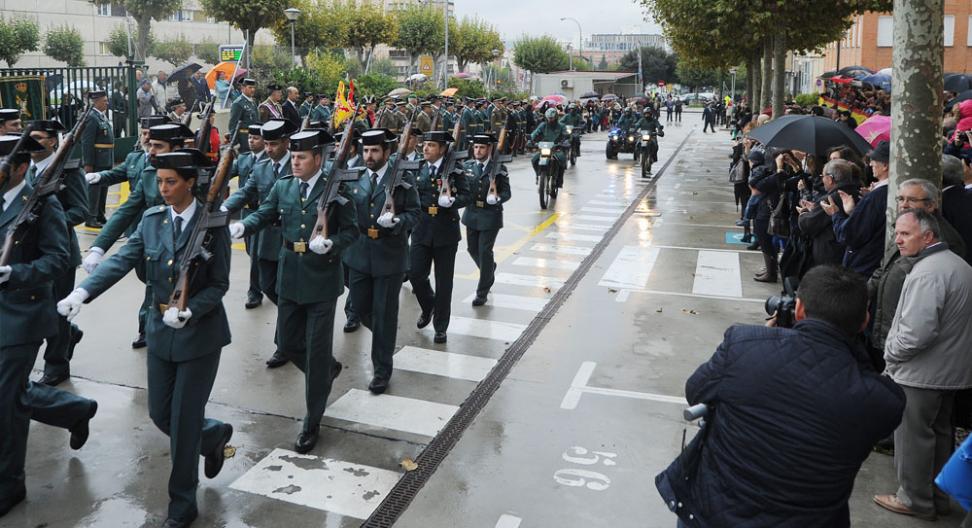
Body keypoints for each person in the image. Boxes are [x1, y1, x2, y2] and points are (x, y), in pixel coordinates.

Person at [59, 148, 234, 528]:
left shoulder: (214, 223)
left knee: (183, 422)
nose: (164, 189)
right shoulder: (153, 220)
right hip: (159, 334)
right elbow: (124, 260)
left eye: (171, 182)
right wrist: (82, 292)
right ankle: (214, 435)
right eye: (160, 181)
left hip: (199, 337)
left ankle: (182, 503)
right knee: (160, 414)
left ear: (190, 183)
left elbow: (219, 283)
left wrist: (192, 309)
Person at [656, 265, 906, 527]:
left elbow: (695, 390)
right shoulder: (881, 400)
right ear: (864, 322)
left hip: (713, 513)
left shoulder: (744, 345)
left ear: (799, 309)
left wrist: (771, 337)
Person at [229, 130, 357, 453]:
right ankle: (326, 369)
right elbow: (265, 212)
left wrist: (333, 244)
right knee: (287, 342)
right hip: (290, 275)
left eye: (302, 157)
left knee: (314, 351)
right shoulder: (284, 185)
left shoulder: (336, 187)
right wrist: (243, 225)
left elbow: (353, 230)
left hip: (322, 279)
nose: (295, 162)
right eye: (294, 157)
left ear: (318, 158)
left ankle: (312, 421)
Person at [0, 133, 99, 520]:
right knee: (14, 392)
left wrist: (15, 273)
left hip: (21, 317)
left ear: (20, 167)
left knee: (6, 401)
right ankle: (73, 410)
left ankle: (9, 485)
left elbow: (59, 260)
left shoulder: (42, 205)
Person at [873, 209, 972, 521]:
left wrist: (891, 354)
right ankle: (937, 497)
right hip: (948, 372)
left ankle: (914, 499)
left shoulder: (929, 272)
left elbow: (917, 333)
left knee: (914, 439)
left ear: (928, 236)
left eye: (905, 234)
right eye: (897, 232)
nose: (898, 240)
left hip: (922, 374)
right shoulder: (958, 265)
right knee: (940, 434)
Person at [82, 123, 193, 350]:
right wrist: (98, 247)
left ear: (177, 147)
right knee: (154, 292)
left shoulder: (198, 175)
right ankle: (149, 332)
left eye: (158, 146)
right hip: (157, 250)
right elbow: (127, 209)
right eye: (150, 145)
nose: (151, 151)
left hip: (189, 253)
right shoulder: (151, 174)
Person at [342, 129, 420, 395]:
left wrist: (398, 222)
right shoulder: (356, 176)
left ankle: (382, 369)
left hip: (390, 254)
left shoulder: (403, 178)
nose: (369, 156)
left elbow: (415, 214)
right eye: (365, 150)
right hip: (360, 252)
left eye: (374, 151)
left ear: (387, 152)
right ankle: (385, 338)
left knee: (385, 314)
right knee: (361, 308)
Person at [223, 119, 297, 368]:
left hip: (290, 236)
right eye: (266, 144)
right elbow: (246, 191)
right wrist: (224, 209)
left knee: (286, 291)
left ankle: (284, 346)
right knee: (268, 286)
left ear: (286, 143)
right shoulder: (262, 166)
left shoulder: (298, 165)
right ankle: (295, 320)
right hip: (265, 237)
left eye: (274, 144)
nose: (269, 149)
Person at [26, 121, 88, 387]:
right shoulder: (24, 169)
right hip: (30, 254)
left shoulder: (68, 170)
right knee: (39, 310)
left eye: (38, 138)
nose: (32, 143)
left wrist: (49, 222)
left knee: (58, 311)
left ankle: (57, 365)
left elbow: (81, 210)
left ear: (53, 141)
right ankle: (69, 335)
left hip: (60, 252)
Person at [409, 131, 471, 343]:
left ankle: (441, 326)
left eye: (432, 145)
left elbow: (467, 194)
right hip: (421, 227)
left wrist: (453, 201)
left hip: (445, 229)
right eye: (425, 144)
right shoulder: (418, 166)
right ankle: (429, 306)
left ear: (443, 149)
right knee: (415, 275)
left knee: (444, 282)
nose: (425, 148)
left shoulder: (455, 169)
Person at [463, 134, 511, 307]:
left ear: (489, 149)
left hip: (490, 215)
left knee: (484, 251)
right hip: (471, 214)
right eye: (476, 147)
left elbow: (507, 192)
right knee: (471, 249)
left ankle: (481, 292)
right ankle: (489, 269)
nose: (478, 151)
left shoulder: (499, 167)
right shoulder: (467, 166)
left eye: (482, 147)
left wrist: (497, 198)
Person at [831, 140, 890, 279]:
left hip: (864, 267)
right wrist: (853, 212)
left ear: (885, 165)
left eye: (874, 161)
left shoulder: (876, 196)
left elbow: (850, 234)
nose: (870, 164)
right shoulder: (881, 194)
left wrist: (836, 214)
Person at [230, 124, 267, 309]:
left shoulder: (270, 160)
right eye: (250, 138)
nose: (252, 141)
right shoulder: (243, 159)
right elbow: (226, 174)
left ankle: (255, 292)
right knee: (250, 251)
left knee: (256, 255)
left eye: (256, 138)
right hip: (247, 212)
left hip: (263, 214)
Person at [797, 159, 855, 268]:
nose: (822, 179)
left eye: (822, 176)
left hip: (830, 254)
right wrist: (815, 209)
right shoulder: (855, 192)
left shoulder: (831, 198)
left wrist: (804, 212)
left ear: (829, 179)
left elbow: (808, 224)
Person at [79, 91, 113, 228]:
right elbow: (87, 142)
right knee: (94, 189)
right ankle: (90, 217)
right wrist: (88, 163)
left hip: (105, 158)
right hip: (97, 160)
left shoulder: (101, 116)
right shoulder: (92, 117)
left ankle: (100, 214)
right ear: (96, 102)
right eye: (104, 101)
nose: (107, 103)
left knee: (103, 188)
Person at [530, 108, 569, 188]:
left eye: (551, 118)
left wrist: (565, 141)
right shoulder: (543, 125)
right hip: (544, 148)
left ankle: (559, 180)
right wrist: (531, 140)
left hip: (556, 148)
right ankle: (538, 174)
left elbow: (566, 135)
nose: (550, 120)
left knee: (562, 160)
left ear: (556, 117)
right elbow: (535, 133)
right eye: (548, 118)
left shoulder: (561, 126)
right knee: (534, 159)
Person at [228, 78, 259, 152]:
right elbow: (233, 124)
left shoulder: (252, 102)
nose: (252, 90)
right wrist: (235, 143)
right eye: (250, 87)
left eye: (253, 87)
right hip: (244, 140)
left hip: (254, 139)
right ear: (243, 88)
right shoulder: (238, 103)